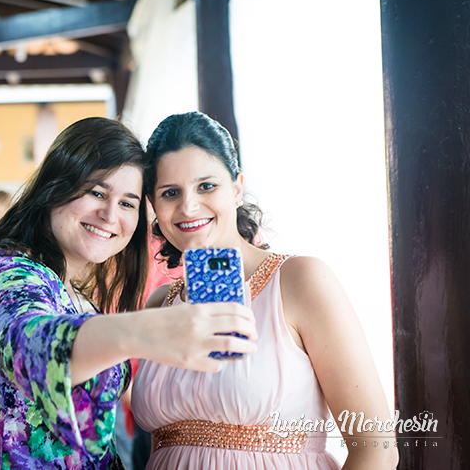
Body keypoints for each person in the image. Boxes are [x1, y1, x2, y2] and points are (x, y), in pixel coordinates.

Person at [0, 117, 258, 468]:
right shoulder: (5, 275)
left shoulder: (75, 295)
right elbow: (30, 346)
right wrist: (145, 331)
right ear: (54, 188)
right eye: (97, 192)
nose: (110, 215)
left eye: (127, 203)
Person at [130, 112, 398, 469]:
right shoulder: (158, 305)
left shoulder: (300, 281)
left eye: (206, 186)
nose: (188, 206)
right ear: (154, 205)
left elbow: (377, 446)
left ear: (237, 188)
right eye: (170, 193)